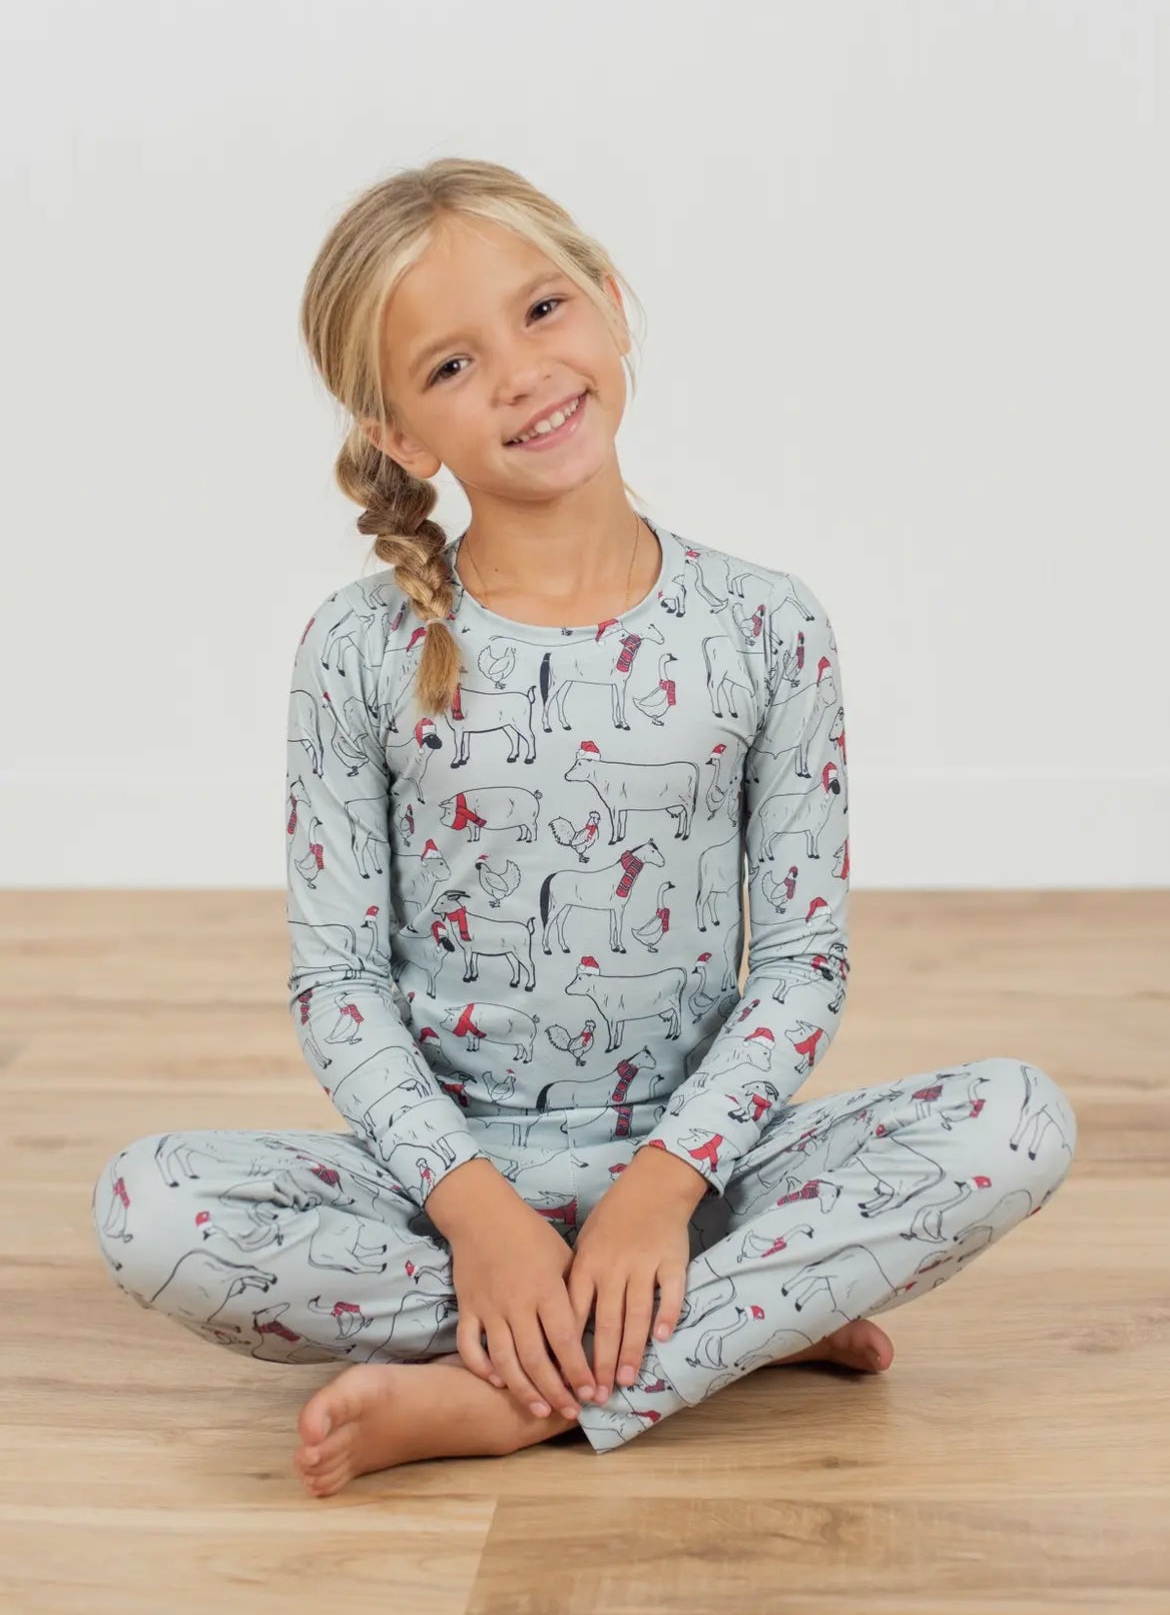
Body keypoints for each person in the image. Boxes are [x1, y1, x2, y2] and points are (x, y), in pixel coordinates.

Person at [90, 158, 1077, 1499]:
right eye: (451, 366)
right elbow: (338, 983)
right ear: (399, 435)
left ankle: (513, 1395)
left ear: (609, 301)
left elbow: (799, 965)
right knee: (147, 1208)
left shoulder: (766, 626)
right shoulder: (357, 650)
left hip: (702, 1171)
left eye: (542, 310)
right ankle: (731, 1323)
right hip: (445, 1189)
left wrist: (663, 1189)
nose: (519, 374)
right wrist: (478, 1216)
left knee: (1016, 1120)